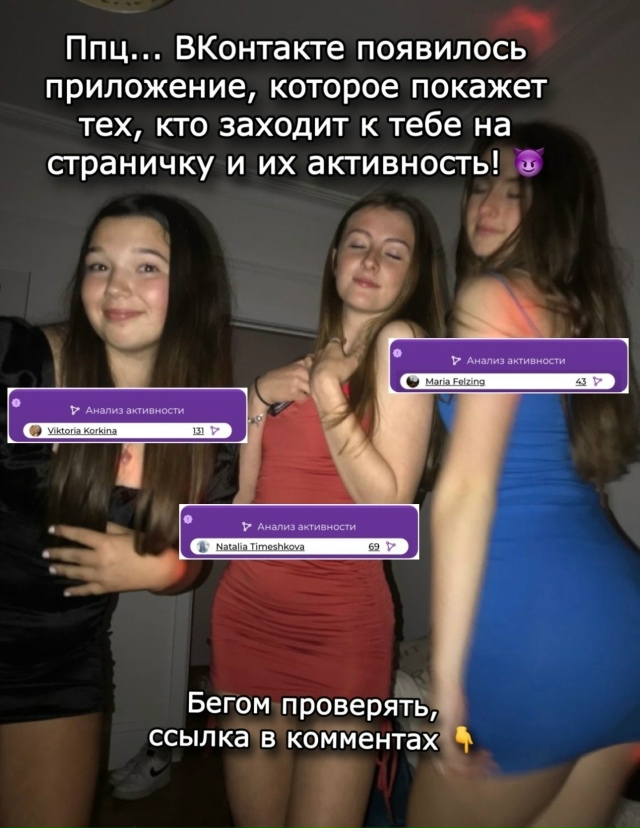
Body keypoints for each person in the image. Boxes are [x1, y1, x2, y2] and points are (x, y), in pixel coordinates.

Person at [407, 123, 640, 828]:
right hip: (622, 633)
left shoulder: (493, 299)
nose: (487, 204)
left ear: (554, 206)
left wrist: (447, 688)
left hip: (539, 641)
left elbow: (467, 491)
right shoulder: (580, 316)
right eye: (480, 185)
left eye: (516, 190)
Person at [211, 192, 449, 828]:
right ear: (334, 258)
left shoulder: (404, 344)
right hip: (247, 618)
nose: (370, 260)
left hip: (340, 629)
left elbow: (387, 508)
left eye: (393, 252)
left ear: (414, 275)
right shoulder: (298, 369)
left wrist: (326, 391)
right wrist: (256, 397)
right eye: (358, 244)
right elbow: (243, 502)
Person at [0, 194, 237, 828]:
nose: (115, 286)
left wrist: (162, 570)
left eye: (146, 266)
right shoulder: (17, 362)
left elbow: (194, 556)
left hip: (61, 665)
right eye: (98, 265)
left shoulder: (205, 433)